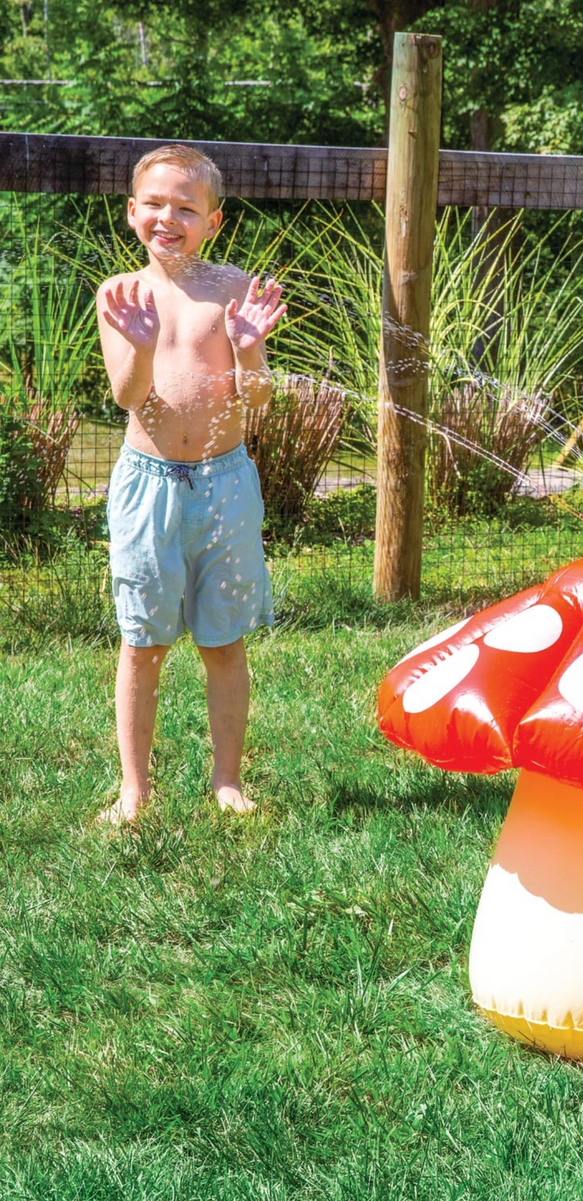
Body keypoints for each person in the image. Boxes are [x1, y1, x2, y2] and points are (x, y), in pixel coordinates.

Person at [96, 144, 286, 825]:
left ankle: (228, 779)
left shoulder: (233, 290)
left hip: (223, 482)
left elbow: (258, 398)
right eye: (154, 204)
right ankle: (134, 788)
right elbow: (126, 395)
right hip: (147, 485)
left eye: (186, 207)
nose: (167, 217)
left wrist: (249, 347)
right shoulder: (120, 295)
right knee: (143, 643)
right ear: (131, 213)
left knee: (222, 641)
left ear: (215, 221)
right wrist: (142, 345)